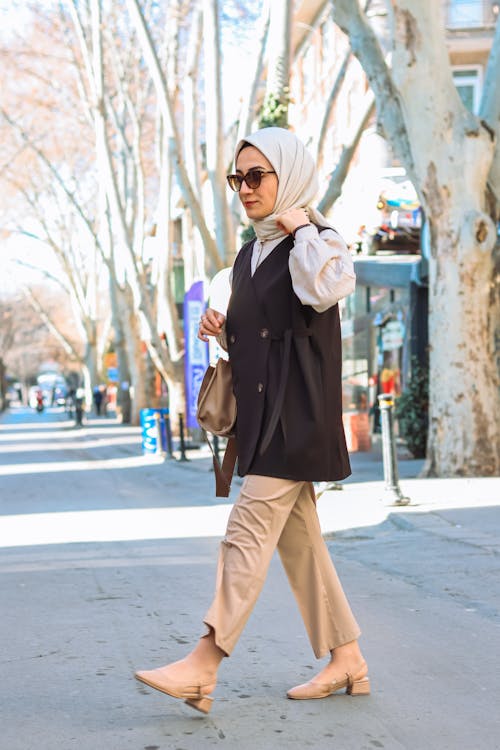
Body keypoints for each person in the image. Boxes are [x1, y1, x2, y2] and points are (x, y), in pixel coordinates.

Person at [135, 127, 369, 713]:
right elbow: (254, 339)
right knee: (300, 545)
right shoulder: (249, 252)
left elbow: (329, 289)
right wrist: (220, 330)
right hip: (263, 421)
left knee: (245, 535)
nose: (245, 188)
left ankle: (204, 662)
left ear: (286, 176)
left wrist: (305, 227)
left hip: (299, 418)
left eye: (256, 176)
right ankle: (348, 659)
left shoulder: (317, 241)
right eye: (238, 178)